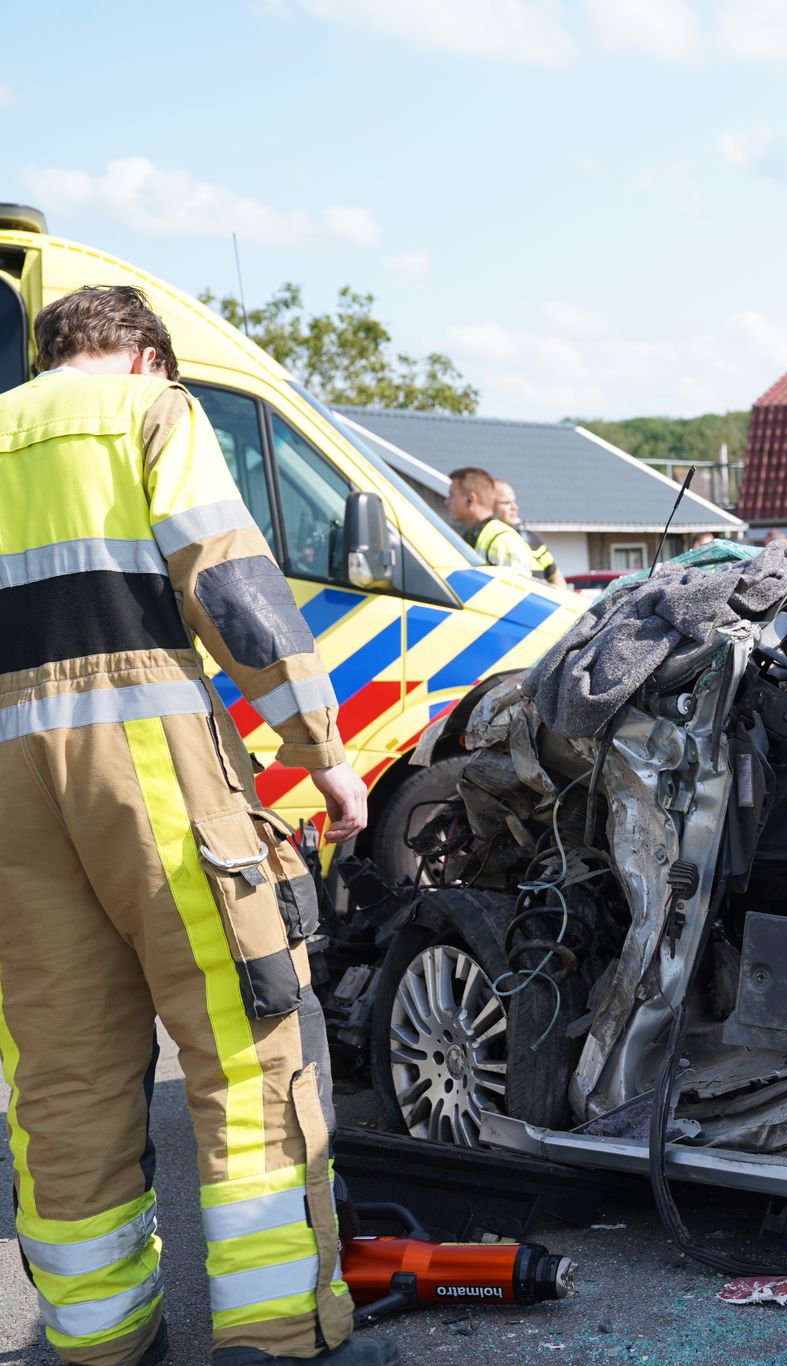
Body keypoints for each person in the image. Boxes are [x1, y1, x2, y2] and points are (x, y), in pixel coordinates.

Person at [0, 286, 392, 1365]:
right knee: (248, 1038)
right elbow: (229, 587)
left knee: (64, 1074)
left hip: (9, 806)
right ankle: (277, 1337)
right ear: (146, 357)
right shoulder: (150, 413)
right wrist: (325, 749)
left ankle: (98, 1343)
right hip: (152, 772)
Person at [442, 466, 538, 574]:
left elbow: (515, 589)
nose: (446, 502)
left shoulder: (502, 540)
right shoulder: (474, 536)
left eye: (452, 495)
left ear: (471, 499)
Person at [492, 479, 561, 583]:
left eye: (514, 502)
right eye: (506, 503)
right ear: (489, 505)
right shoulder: (482, 537)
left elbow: (556, 577)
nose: (515, 507)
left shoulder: (530, 539)